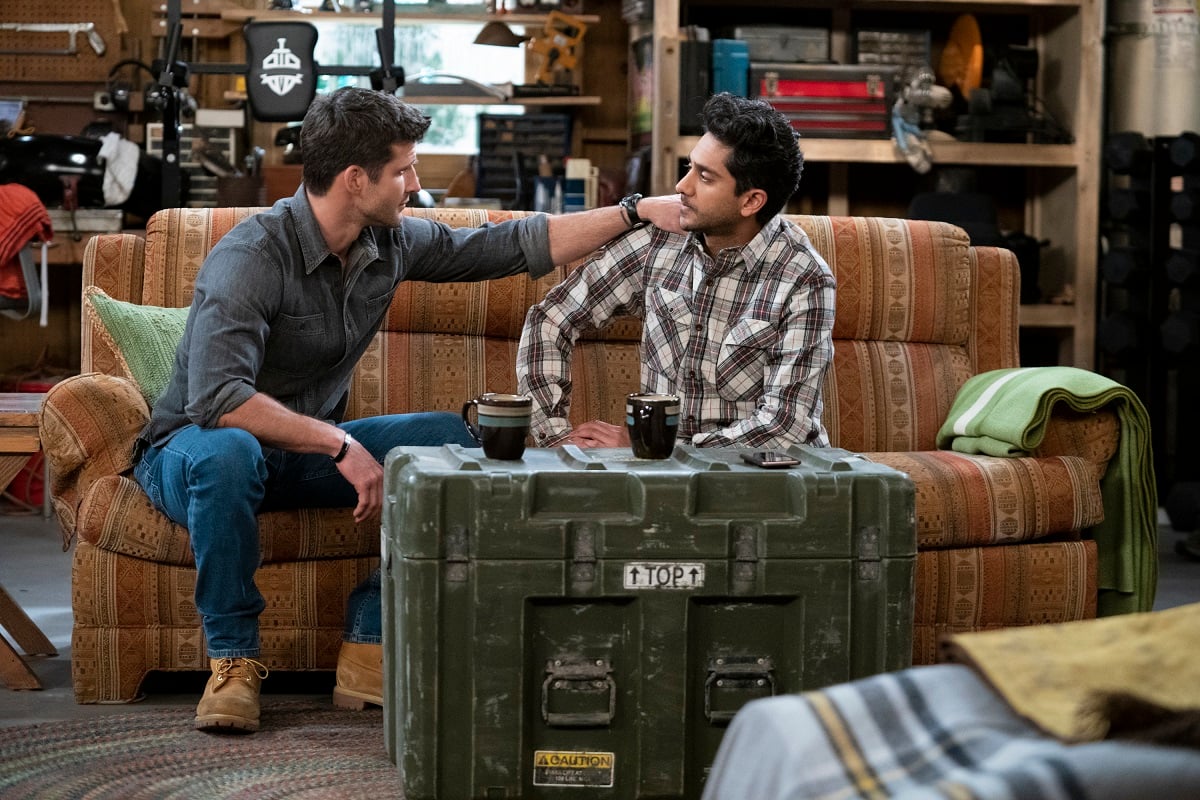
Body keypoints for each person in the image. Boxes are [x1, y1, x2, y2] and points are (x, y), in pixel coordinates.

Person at [132, 86, 683, 734]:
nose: (415, 184)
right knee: (231, 452)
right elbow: (219, 399)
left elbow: (513, 245)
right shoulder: (252, 256)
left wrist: (636, 209)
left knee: (455, 440)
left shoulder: (385, 243)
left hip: (297, 453)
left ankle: (370, 640)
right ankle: (233, 663)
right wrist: (339, 446)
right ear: (355, 178)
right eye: (403, 170)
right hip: (191, 449)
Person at [517, 92, 835, 451]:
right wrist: (556, 438)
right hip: (659, 476)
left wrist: (652, 446)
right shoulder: (659, 242)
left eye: (705, 177)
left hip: (762, 478)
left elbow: (782, 427)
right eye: (690, 167)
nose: (682, 187)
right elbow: (551, 318)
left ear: (751, 201)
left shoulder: (804, 278)